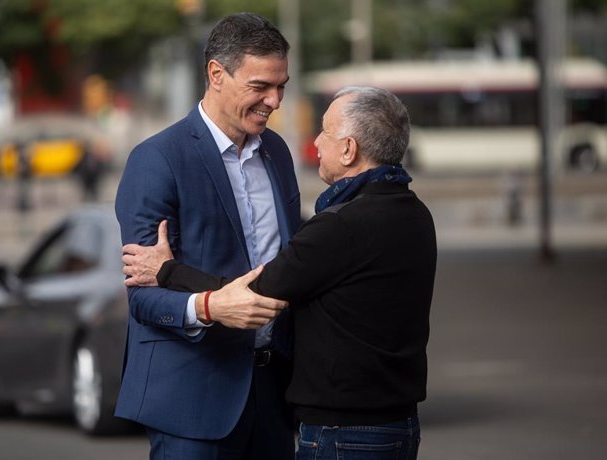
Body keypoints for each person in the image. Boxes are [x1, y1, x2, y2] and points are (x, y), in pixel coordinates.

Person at [122, 86, 437, 459]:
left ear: (349, 149)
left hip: (342, 429)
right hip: (397, 422)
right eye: (261, 86)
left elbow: (259, 289)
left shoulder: (341, 227)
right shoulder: (416, 213)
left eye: (325, 132)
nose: (316, 141)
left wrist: (167, 270)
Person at [114, 12, 301, 460]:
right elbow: (143, 298)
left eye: (282, 86)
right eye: (260, 86)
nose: (274, 101)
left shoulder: (277, 152)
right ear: (216, 74)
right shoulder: (157, 159)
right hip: (191, 401)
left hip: (274, 396)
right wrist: (210, 305)